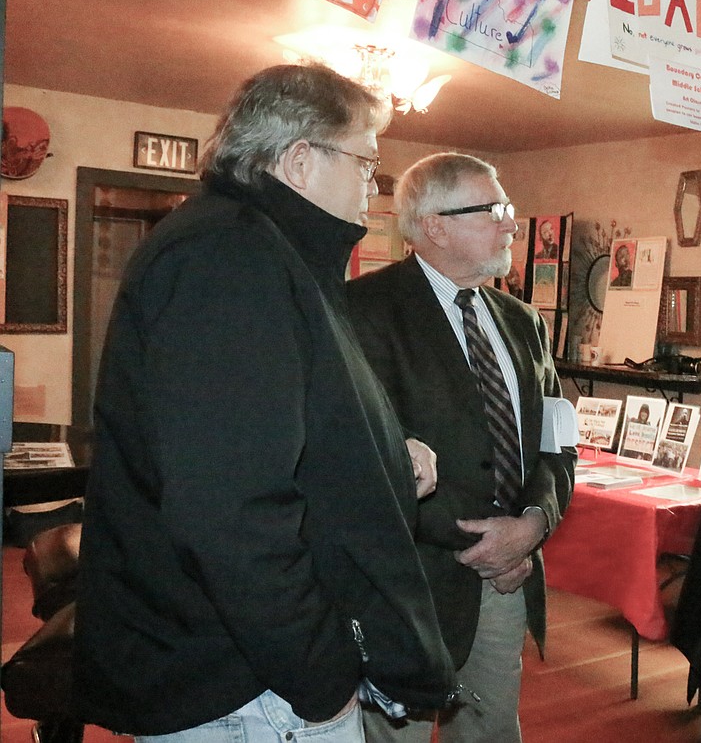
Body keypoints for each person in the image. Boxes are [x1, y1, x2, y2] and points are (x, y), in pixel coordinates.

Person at [74, 64, 457, 741]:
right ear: (301, 160)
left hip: (243, 672)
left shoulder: (258, 249)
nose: (374, 190)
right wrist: (320, 675)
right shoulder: (228, 257)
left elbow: (278, 437)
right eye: (367, 163)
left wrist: (386, 459)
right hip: (243, 685)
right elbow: (230, 510)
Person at [347, 152, 576, 743]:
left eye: (510, 209)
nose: (511, 224)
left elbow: (557, 441)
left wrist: (532, 525)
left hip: (505, 576)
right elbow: (358, 455)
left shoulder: (524, 323)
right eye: (493, 209)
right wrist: (478, 540)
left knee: (492, 728)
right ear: (434, 225)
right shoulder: (362, 311)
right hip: (410, 582)